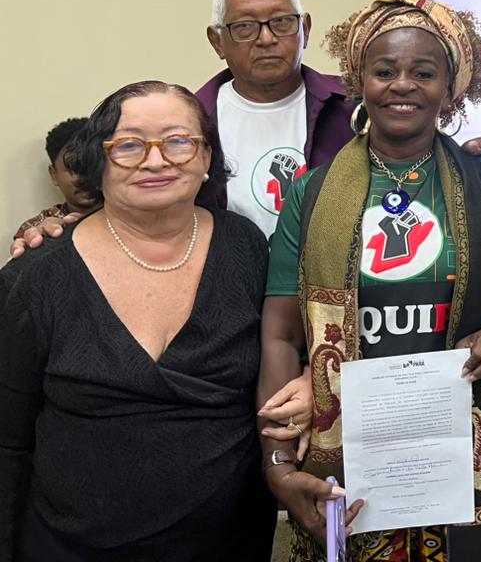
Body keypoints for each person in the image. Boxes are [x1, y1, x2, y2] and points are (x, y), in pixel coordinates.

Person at [258, 0, 481, 562]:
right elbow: (279, 331)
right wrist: (278, 462)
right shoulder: (312, 193)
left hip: (466, 423)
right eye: (384, 71)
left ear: (451, 87)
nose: (402, 85)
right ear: (359, 81)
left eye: (424, 72)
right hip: (351, 431)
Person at [10, 0, 481, 256]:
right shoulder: (189, 124)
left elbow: (421, 155)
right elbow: (136, 199)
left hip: (346, 301)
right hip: (226, 303)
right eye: (245, 27)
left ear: (305, 29)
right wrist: (57, 225)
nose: (267, 38)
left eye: (281, 22)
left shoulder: (356, 105)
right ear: (217, 41)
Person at [0, 81, 275, 560]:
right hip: (69, 547)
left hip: (227, 542)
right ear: (97, 161)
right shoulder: (36, 276)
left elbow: (282, 359)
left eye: (178, 141)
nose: (155, 161)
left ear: (207, 157)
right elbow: (6, 442)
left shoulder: (247, 248)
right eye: (128, 145)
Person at [12, 117, 96, 240]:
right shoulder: (35, 231)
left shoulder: (124, 217)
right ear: (54, 174)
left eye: (93, 165)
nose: (85, 178)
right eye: (73, 166)